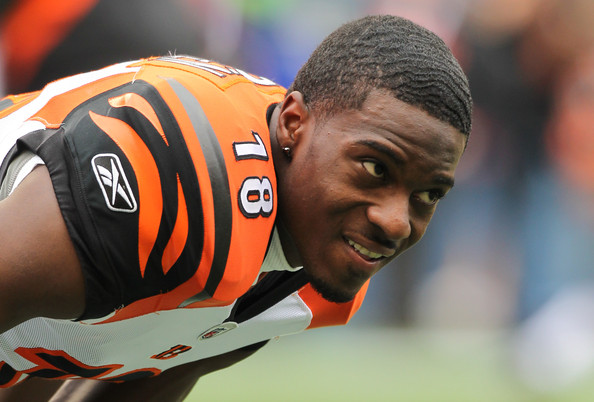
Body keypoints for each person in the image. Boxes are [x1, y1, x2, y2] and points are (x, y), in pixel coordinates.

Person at [0, 14, 471, 401]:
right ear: (293, 124)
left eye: (429, 194)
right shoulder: (177, 172)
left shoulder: (314, 270)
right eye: (374, 168)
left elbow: (81, 358)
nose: (395, 222)